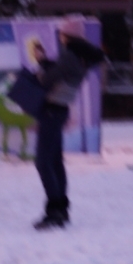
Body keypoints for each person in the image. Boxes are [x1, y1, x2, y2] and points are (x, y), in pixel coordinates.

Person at [24, 33, 106, 230]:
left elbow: (48, 79)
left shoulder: (69, 59)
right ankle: (61, 209)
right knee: (54, 161)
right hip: (59, 111)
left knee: (43, 162)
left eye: (64, 42)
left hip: (51, 112)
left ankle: (54, 211)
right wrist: (45, 62)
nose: (62, 45)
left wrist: (41, 68)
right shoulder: (79, 64)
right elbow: (56, 72)